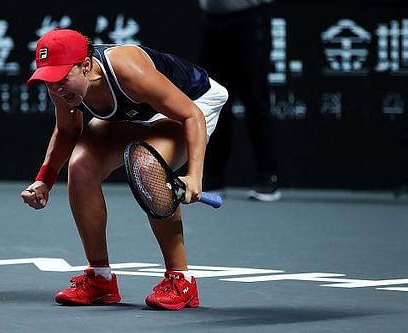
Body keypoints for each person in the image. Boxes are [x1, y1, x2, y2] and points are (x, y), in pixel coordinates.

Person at [21, 29, 228, 310]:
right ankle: (100, 279)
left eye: (61, 78)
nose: (55, 88)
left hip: (191, 105)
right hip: (136, 110)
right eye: (49, 81)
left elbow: (190, 115)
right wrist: (44, 180)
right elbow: (67, 130)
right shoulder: (62, 85)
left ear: (85, 66)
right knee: (81, 166)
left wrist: (194, 176)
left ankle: (182, 281)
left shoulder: (128, 69)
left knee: (148, 167)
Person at [199, 0, 282, 202]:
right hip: (212, 21)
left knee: (256, 101)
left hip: (249, 19)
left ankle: (266, 176)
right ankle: (212, 178)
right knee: (213, 99)